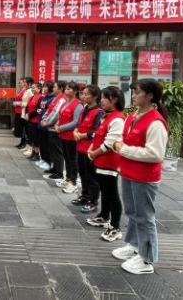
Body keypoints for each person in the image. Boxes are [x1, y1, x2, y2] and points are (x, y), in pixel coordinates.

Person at [112, 79, 169, 275]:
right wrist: (119, 145)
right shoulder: (133, 116)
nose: (134, 96)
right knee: (132, 212)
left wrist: (123, 149)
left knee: (144, 217)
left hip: (144, 178)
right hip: (128, 173)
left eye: (137, 92)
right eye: (133, 92)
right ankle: (135, 245)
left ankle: (147, 259)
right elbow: (123, 139)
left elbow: (155, 154)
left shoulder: (155, 122)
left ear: (150, 95)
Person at [87, 86, 126, 242]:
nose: (101, 100)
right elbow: (98, 136)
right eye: (101, 97)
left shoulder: (118, 119)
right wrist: (92, 149)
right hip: (100, 161)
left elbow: (110, 143)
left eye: (104, 97)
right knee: (105, 191)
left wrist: (94, 152)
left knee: (112, 195)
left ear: (114, 99)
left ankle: (115, 227)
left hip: (109, 163)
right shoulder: (106, 116)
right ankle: (104, 216)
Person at [73, 85, 104, 214]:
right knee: (83, 174)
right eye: (83, 93)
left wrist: (82, 135)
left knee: (92, 177)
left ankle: (93, 201)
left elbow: (96, 131)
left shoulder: (99, 112)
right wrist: (75, 131)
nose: (83, 96)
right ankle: (85, 196)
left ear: (95, 96)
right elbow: (78, 124)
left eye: (86, 94)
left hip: (90, 149)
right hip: (80, 147)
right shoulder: (84, 109)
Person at [55, 81, 83, 194]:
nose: (66, 90)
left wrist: (61, 127)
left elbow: (76, 122)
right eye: (65, 88)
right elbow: (61, 116)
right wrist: (57, 124)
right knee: (66, 158)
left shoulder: (78, 105)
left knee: (73, 160)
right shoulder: (66, 102)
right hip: (63, 135)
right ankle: (67, 178)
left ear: (75, 91)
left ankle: (73, 182)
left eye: (69, 89)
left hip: (71, 136)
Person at [41, 81, 67, 180]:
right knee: (52, 149)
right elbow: (49, 110)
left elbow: (56, 114)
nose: (53, 88)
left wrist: (46, 122)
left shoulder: (62, 99)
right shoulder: (56, 98)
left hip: (54, 128)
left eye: (55, 87)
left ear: (61, 88)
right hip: (50, 127)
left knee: (57, 150)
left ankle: (59, 171)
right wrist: (44, 119)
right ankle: (54, 167)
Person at [35, 81, 57, 172]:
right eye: (43, 87)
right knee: (42, 144)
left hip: (47, 126)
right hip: (40, 123)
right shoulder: (44, 98)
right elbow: (41, 108)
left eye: (45, 87)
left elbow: (52, 112)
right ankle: (43, 159)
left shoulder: (53, 98)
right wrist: (39, 111)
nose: (43, 88)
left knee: (47, 145)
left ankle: (48, 162)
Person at [24, 83, 43, 161]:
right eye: (31, 88)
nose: (32, 89)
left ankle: (37, 154)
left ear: (39, 88)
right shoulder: (31, 97)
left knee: (36, 138)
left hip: (36, 120)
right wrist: (26, 114)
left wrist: (29, 115)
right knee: (31, 137)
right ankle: (33, 152)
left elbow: (38, 110)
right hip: (30, 120)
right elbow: (27, 107)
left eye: (34, 88)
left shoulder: (41, 97)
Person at [20, 76, 36, 154]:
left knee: (29, 132)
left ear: (29, 83)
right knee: (26, 131)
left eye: (25, 82)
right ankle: (27, 147)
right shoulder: (26, 90)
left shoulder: (30, 91)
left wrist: (22, 104)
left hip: (28, 113)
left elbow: (30, 103)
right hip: (24, 112)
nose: (23, 83)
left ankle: (30, 149)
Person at [13, 78, 29, 149]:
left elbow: (25, 102)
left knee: (23, 128)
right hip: (18, 110)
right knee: (20, 128)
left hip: (21, 111)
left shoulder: (25, 91)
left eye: (21, 82)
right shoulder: (21, 91)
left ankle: (24, 143)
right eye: (19, 83)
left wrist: (16, 103)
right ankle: (22, 142)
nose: (19, 84)